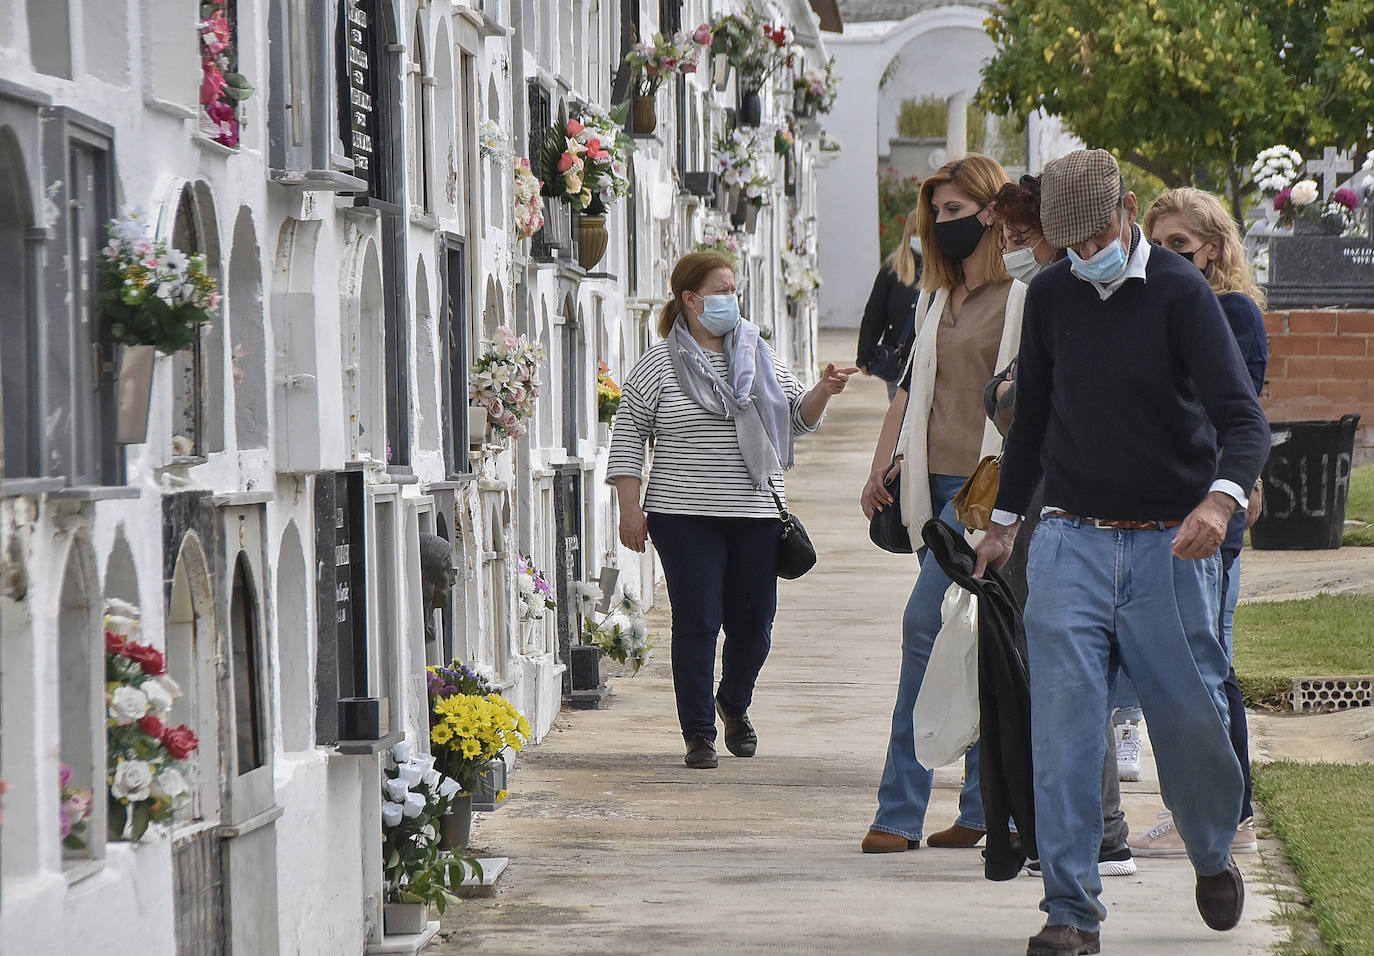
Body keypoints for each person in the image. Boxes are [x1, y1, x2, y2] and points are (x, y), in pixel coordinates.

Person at [973, 149, 1270, 955]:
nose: (1081, 256)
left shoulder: (1181, 295)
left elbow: (1243, 421)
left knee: (1189, 720)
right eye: (1066, 244)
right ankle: (1071, 910)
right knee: (1064, 727)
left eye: (1093, 236)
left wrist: (1220, 500)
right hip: (1067, 538)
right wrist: (1001, 524)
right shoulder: (1052, 297)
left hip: (1167, 547)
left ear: (1128, 211)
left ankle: (1211, 848)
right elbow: (1030, 425)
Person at [607, 251, 856, 770]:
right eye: (722, 291)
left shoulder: (760, 355)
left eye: (735, 289)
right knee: (697, 621)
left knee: (754, 624)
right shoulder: (658, 366)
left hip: (755, 513)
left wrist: (824, 392)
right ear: (691, 300)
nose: (732, 300)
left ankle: (733, 702)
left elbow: (796, 421)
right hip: (683, 514)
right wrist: (630, 510)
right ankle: (698, 732)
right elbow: (629, 435)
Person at [858, 154, 1027, 854]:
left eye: (955, 213)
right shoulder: (937, 297)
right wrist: (882, 463)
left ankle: (899, 811)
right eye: (936, 216)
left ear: (992, 211)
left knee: (924, 626)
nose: (941, 227)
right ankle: (984, 811)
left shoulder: (1023, 294)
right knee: (977, 643)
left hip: (991, 488)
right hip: (935, 487)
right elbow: (909, 386)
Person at [982, 176, 1136, 881]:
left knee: (1068, 677)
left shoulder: (1066, 296)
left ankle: (1097, 831)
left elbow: (1030, 409)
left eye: (1025, 240)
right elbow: (1011, 399)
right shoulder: (1042, 295)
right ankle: (1063, 829)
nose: (1017, 254)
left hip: (1068, 509)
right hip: (1037, 503)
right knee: (1054, 677)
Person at [1124, 187, 1269, 858]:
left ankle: (1228, 816)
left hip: (1209, 512)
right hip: (1167, 508)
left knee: (1208, 667)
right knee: (1193, 664)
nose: (1169, 259)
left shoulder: (1232, 312)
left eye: (1181, 246)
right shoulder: (1166, 303)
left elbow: (1227, 414)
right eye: (1159, 246)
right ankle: (1211, 812)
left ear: (1213, 248)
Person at [856, 207, 923, 399]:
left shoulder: (946, 269)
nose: (919, 237)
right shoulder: (893, 268)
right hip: (899, 359)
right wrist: (865, 354)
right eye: (915, 231)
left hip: (932, 359)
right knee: (901, 420)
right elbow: (875, 312)